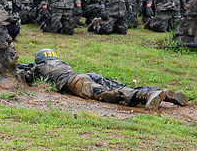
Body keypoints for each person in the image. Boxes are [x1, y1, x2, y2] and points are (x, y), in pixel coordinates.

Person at [17, 49, 187, 110]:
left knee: (108, 94)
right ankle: (154, 91)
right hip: (87, 74)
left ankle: (146, 96)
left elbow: (24, 77)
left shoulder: (38, 67)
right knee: (119, 85)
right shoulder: (60, 62)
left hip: (75, 81)